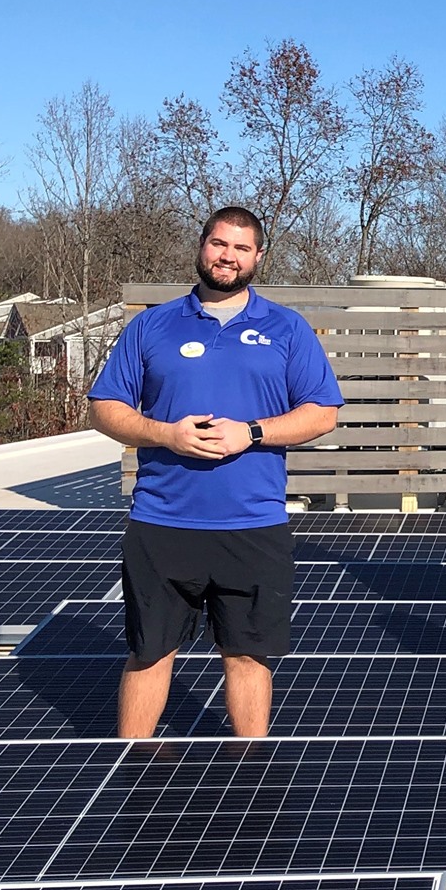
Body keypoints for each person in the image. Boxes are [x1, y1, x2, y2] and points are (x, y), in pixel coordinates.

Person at [89, 206, 343, 738]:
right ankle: (129, 778)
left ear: (258, 257)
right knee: (149, 655)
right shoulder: (152, 325)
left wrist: (250, 432)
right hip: (162, 523)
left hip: (253, 524)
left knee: (248, 658)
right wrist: (166, 433)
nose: (228, 256)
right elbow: (104, 407)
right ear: (202, 245)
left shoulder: (286, 328)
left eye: (241, 248)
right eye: (219, 244)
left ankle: (250, 783)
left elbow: (322, 412)